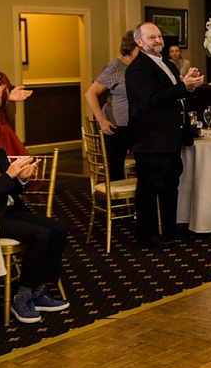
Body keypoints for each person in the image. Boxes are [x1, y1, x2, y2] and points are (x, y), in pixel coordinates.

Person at [0, 108, 70, 323]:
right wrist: (9, 175)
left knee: (59, 228)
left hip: (10, 210)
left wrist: (22, 179)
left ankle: (39, 289)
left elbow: (11, 190)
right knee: (39, 234)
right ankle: (22, 295)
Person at [125, 22, 204, 249]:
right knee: (149, 187)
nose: (158, 40)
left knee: (171, 184)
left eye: (159, 36)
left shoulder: (166, 64)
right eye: (152, 37)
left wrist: (188, 85)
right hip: (151, 138)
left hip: (170, 135)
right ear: (139, 42)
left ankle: (169, 227)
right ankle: (147, 233)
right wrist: (183, 86)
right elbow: (154, 98)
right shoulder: (138, 69)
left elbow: (174, 94)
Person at [85, 31, 139, 181]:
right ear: (131, 47)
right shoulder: (115, 67)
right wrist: (101, 121)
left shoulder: (140, 66)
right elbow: (90, 93)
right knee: (115, 170)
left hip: (137, 125)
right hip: (117, 126)